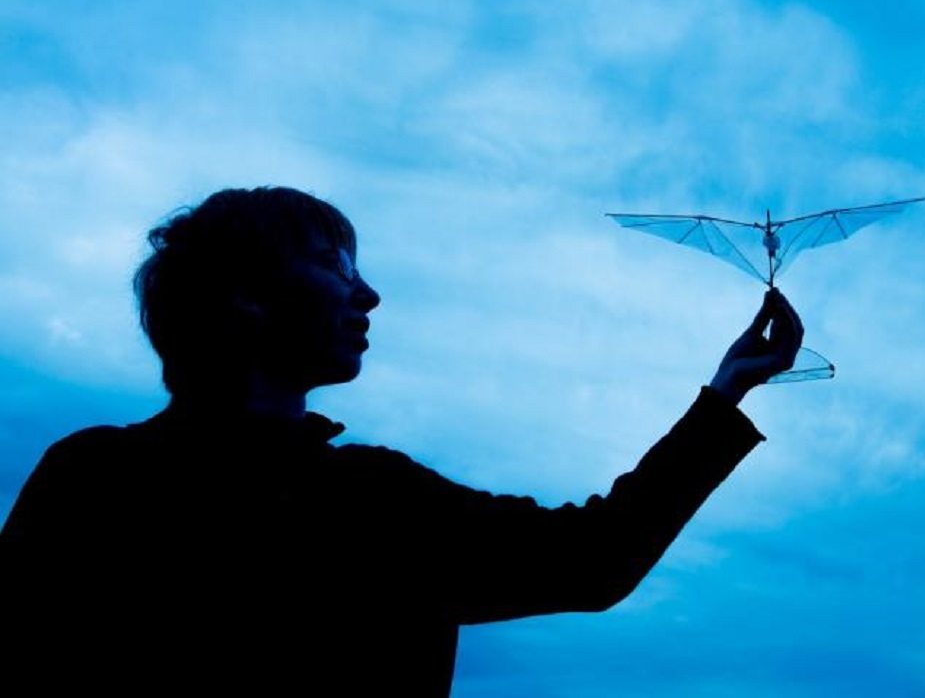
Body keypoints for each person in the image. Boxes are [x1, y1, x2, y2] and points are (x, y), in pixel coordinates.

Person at [1, 187, 802, 695]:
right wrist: (721, 400)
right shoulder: (365, 499)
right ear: (245, 298)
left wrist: (725, 392)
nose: (370, 294)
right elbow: (594, 561)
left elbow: (593, 561)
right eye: (333, 265)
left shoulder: (90, 473)